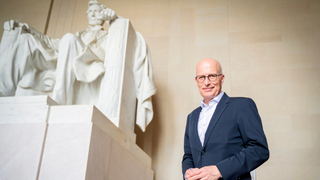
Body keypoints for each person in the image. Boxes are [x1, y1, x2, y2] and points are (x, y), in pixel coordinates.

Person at [0, 0, 156, 131]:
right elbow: (49, 42)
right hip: (64, 57)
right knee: (26, 40)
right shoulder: (77, 35)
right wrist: (27, 29)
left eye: (96, 11)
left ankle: (59, 98)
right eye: (90, 11)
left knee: (68, 39)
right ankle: (4, 91)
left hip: (89, 66)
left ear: (102, 15)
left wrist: (114, 19)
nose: (93, 14)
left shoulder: (109, 37)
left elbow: (130, 44)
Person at [182, 58, 269, 180]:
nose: (206, 82)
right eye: (201, 77)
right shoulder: (191, 117)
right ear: (196, 81)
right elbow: (188, 155)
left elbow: (259, 150)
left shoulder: (242, 105)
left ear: (222, 78)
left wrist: (220, 170)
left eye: (212, 76)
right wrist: (188, 172)